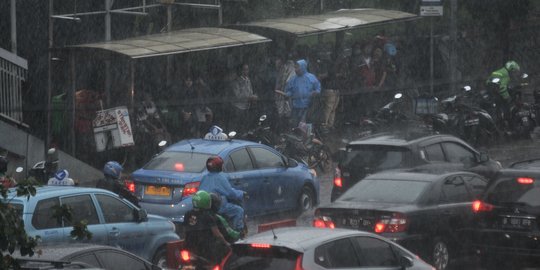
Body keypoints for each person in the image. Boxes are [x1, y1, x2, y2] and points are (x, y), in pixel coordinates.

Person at [199, 156, 246, 233]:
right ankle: (238, 232)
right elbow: (230, 194)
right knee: (239, 210)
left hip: (206, 207)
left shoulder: (204, 177)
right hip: (218, 207)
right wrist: (241, 193)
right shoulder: (220, 177)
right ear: (219, 166)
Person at [183, 190, 230, 265]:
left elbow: (185, 231)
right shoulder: (208, 216)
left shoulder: (188, 214)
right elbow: (217, 234)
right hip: (205, 248)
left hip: (190, 245)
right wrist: (226, 243)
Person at [279, 59, 321, 128]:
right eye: (295, 67)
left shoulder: (311, 77)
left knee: (304, 125)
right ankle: (296, 137)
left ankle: (306, 137)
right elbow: (289, 90)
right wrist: (287, 94)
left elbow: (318, 88)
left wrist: (316, 92)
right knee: (295, 125)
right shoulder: (293, 79)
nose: (295, 69)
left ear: (303, 67)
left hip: (308, 106)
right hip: (295, 106)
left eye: (297, 67)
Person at [486, 60, 522, 128]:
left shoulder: (500, 71)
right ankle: (508, 125)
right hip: (496, 95)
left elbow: (488, 81)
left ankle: (498, 123)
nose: (515, 73)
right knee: (506, 109)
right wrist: (508, 98)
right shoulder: (506, 75)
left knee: (497, 110)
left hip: (491, 94)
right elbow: (502, 89)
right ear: (511, 69)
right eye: (515, 71)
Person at [230, 64, 258, 133]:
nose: (247, 71)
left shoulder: (248, 80)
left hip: (247, 107)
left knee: (245, 127)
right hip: (238, 107)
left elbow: (250, 91)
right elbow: (238, 95)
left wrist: (253, 96)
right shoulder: (236, 81)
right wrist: (249, 97)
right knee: (238, 127)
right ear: (241, 71)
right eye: (245, 69)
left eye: (247, 69)